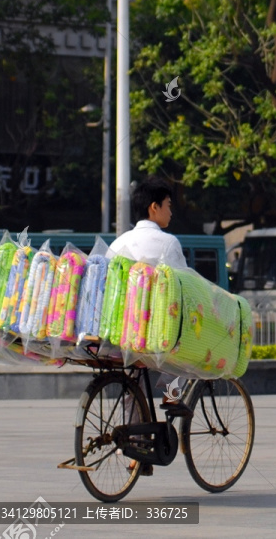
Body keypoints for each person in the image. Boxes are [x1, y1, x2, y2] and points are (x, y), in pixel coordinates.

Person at [110, 176, 187, 476]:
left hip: (120, 333)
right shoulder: (168, 243)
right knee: (186, 350)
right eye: (168, 206)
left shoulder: (120, 243)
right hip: (155, 336)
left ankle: (136, 450)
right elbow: (185, 286)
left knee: (132, 386)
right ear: (154, 208)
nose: (171, 212)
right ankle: (171, 396)